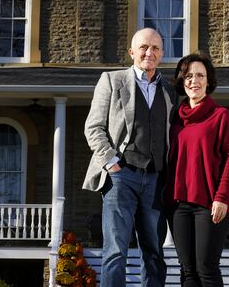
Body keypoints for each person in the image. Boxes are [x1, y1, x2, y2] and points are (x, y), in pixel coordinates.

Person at [83, 28, 175, 287]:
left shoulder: (169, 91)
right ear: (132, 52)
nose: (150, 52)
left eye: (156, 48)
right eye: (144, 47)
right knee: (115, 251)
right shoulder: (112, 80)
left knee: (154, 252)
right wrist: (111, 161)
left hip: (156, 179)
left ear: (162, 54)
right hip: (121, 176)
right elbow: (94, 127)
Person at [166, 52, 229, 287]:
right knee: (187, 271)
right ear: (181, 80)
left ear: (208, 81)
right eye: (188, 76)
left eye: (200, 75)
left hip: (210, 203)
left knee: (206, 268)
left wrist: (222, 197)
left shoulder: (221, 116)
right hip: (178, 204)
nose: (193, 81)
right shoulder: (175, 119)